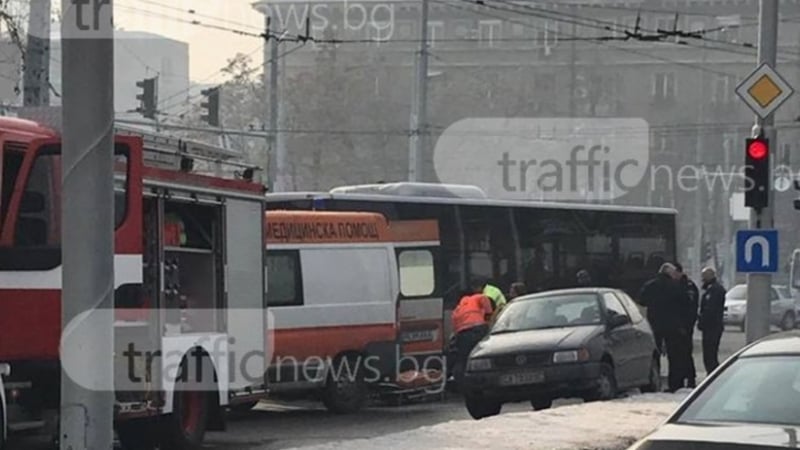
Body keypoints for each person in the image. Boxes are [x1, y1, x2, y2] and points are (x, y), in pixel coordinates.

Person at [639, 262, 688, 392]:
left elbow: (642, 301)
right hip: (672, 326)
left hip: (654, 324)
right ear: (669, 273)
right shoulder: (676, 287)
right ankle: (674, 384)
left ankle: (654, 382)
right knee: (674, 356)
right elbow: (684, 305)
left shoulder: (650, 285)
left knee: (654, 354)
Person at [449, 282, 494, 387]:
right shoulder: (476, 297)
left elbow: (455, 326)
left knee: (464, 358)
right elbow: (484, 300)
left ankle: (464, 384)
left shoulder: (458, 308)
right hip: (478, 328)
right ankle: (485, 382)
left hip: (463, 333)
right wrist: (489, 316)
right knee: (484, 355)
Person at [674, 263, 700, 388]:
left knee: (685, 353)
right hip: (680, 325)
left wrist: (686, 325)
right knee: (679, 353)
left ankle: (690, 378)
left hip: (685, 326)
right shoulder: (678, 285)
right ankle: (681, 378)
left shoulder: (688, 286)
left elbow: (690, 307)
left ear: (679, 272)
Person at [698, 267, 726, 374]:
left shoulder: (715, 290)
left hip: (712, 327)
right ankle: (712, 374)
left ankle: (714, 375)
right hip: (710, 327)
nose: (702, 279)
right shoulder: (710, 289)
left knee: (710, 355)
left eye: (704, 276)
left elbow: (711, 309)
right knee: (709, 355)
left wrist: (702, 321)